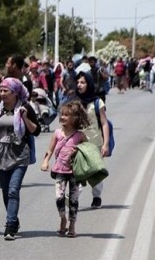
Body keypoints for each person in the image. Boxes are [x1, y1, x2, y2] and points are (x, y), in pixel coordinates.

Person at [0, 77, 40, 240]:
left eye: (5, 91)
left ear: (15, 93)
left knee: (13, 190)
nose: (2, 94)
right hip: (0, 155)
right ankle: (14, 219)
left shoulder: (25, 108)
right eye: (0, 91)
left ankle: (9, 225)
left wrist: (24, 118)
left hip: (19, 155)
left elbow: (35, 131)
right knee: (5, 191)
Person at [40, 101, 88, 238]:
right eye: (62, 115)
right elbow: (49, 150)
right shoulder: (57, 133)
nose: (63, 117)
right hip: (60, 171)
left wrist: (77, 151)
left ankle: (72, 225)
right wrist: (45, 161)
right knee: (59, 197)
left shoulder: (80, 136)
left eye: (67, 115)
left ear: (75, 118)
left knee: (73, 200)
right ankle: (63, 218)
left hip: (74, 173)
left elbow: (88, 151)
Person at [73, 71, 111, 209]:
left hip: (95, 143)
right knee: (78, 172)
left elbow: (104, 123)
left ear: (88, 84)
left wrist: (105, 144)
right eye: (77, 82)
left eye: (82, 82)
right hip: (79, 144)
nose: (79, 85)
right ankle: (74, 198)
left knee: (95, 172)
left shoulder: (97, 102)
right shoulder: (74, 102)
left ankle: (96, 196)